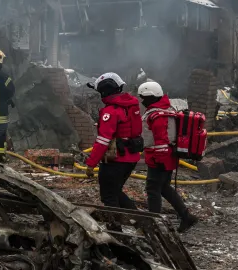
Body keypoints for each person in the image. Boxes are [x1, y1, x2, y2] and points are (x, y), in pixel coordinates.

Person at [137, 81, 198, 232]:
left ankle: (154, 224)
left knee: (153, 188)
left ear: (152, 96)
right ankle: (186, 217)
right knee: (163, 187)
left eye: (144, 98)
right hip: (167, 157)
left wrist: (159, 159)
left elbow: (161, 139)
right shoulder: (166, 109)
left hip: (160, 158)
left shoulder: (158, 115)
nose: (143, 101)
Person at [84, 72, 143, 209]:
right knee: (115, 192)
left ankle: (115, 228)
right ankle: (141, 222)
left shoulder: (111, 111)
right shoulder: (131, 106)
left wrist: (91, 164)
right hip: (131, 158)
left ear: (105, 91)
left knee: (109, 197)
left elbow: (103, 140)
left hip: (115, 161)